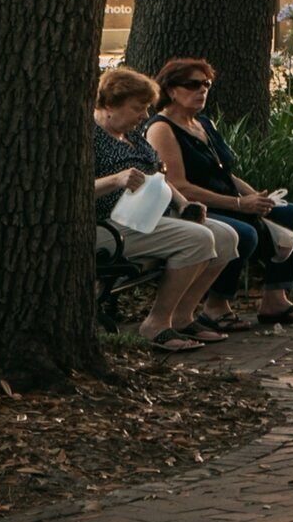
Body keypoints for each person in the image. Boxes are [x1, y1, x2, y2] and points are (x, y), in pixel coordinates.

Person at [146, 56, 293, 327]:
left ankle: (275, 299)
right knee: (241, 231)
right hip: (193, 205)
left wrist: (257, 197)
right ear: (171, 90)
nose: (202, 90)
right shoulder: (162, 128)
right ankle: (215, 306)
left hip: (228, 199)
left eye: (206, 84)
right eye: (193, 84)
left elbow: (224, 172)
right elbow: (177, 184)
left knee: (289, 212)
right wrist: (238, 204)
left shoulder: (203, 124)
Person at [90, 66, 244, 353]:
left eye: (146, 107)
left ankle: (183, 316)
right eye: (138, 108)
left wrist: (184, 203)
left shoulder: (131, 134)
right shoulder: (90, 138)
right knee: (198, 239)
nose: (144, 116)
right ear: (110, 106)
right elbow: (70, 191)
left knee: (226, 237)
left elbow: (156, 174)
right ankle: (156, 324)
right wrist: (116, 180)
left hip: (149, 217)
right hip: (111, 226)